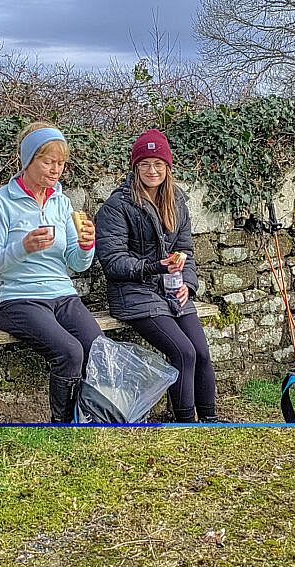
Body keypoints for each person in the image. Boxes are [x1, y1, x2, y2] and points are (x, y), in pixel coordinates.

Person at [94, 129, 220, 423]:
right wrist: (155, 266)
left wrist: (187, 285)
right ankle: (185, 422)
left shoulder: (176, 202)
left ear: (167, 168)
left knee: (201, 352)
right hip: (135, 294)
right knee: (184, 352)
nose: (152, 170)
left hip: (172, 291)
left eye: (158, 164)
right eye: (145, 164)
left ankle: (212, 421)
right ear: (135, 168)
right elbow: (113, 262)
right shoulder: (116, 207)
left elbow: (185, 249)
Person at [0, 122, 100, 423]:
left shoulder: (62, 202)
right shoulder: (0, 202)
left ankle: (90, 418)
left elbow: (77, 263)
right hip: (18, 299)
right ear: (28, 160)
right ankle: (63, 426)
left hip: (62, 294)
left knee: (97, 347)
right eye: (48, 161)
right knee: (70, 352)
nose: (56, 169)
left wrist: (87, 246)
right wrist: (23, 247)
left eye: (61, 163)